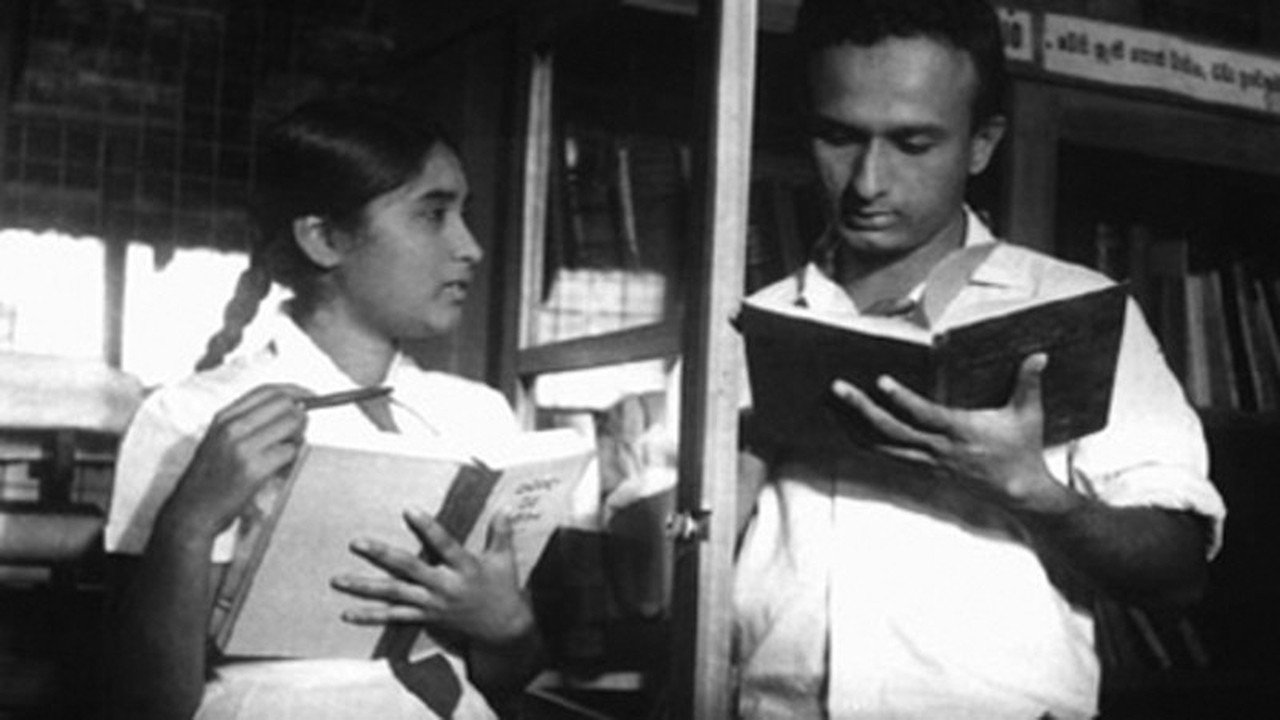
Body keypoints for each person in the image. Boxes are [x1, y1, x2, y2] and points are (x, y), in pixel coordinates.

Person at [733, 0, 1227, 718]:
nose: (868, 182)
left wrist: (1031, 491)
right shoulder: (745, 326)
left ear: (981, 144)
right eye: (839, 137)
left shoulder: (1079, 311)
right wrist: (734, 469)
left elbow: (1178, 573)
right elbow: (648, 593)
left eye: (913, 143)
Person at [103, 96, 540, 720]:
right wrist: (190, 522)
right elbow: (146, 704)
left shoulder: (479, 415)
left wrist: (506, 626)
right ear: (324, 238)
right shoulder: (192, 416)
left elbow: (510, 677)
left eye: (463, 214)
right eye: (433, 214)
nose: (469, 247)